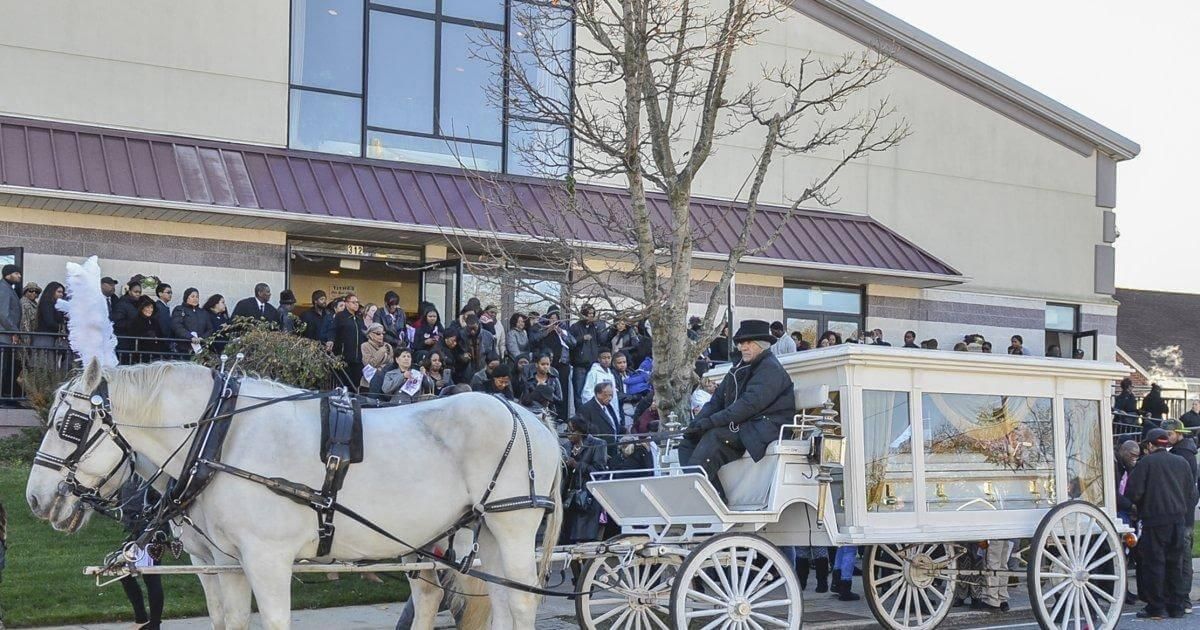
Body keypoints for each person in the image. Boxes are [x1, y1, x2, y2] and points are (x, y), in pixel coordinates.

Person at [677, 320, 795, 500]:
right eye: (741, 343)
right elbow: (716, 402)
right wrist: (695, 425)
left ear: (762, 344)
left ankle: (705, 499)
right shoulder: (739, 368)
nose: (742, 347)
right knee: (688, 441)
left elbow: (748, 405)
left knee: (715, 435)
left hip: (764, 427)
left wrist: (710, 422)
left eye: (748, 343)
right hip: (744, 425)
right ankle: (709, 498)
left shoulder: (770, 369)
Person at [1124, 428, 1199, 619]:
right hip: (1178, 519)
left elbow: (1133, 492)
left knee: (1154, 563)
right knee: (1175, 563)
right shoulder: (1181, 462)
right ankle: (1177, 605)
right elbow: (1191, 492)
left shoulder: (1146, 463)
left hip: (1154, 519)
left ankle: (1157, 606)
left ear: (1150, 445)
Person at [118, 475, 165, 630]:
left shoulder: (152, 476)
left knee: (151, 577)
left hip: (151, 535)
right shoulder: (129, 477)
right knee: (121, 570)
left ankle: (154, 624)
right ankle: (141, 619)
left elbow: (162, 506)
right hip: (134, 534)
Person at [560, 418, 607, 549]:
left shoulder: (597, 444)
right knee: (568, 543)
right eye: (567, 430)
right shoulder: (566, 447)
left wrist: (578, 465)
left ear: (581, 432)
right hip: (569, 500)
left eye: (571, 430)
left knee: (585, 543)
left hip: (587, 498)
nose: (568, 433)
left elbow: (599, 471)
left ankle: (587, 568)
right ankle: (574, 569)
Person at [532, 309, 574, 420]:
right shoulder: (541, 326)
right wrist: (548, 330)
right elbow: (534, 339)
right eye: (551, 318)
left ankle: (562, 416)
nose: (553, 320)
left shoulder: (563, 328)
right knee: (549, 390)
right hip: (547, 365)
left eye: (556, 318)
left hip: (562, 364)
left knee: (562, 391)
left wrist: (560, 332)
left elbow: (573, 342)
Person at [568, 304, 607, 404]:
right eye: (589, 313)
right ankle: (580, 416)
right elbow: (570, 342)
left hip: (592, 364)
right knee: (579, 392)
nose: (591, 316)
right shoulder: (575, 327)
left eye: (592, 314)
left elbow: (603, 340)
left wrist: (599, 325)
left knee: (592, 391)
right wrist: (582, 338)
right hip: (579, 365)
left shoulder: (595, 327)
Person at [577, 382, 623, 460]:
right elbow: (583, 434)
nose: (610, 398)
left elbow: (613, 425)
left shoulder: (609, 407)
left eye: (611, 395)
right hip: (597, 454)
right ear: (598, 394)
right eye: (606, 395)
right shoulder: (586, 409)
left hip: (613, 449)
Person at [332, 293, 365, 390]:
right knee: (345, 383)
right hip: (345, 356)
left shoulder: (359, 319)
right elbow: (333, 330)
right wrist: (331, 341)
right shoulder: (340, 316)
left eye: (357, 302)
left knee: (356, 382)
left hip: (358, 357)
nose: (356, 304)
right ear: (346, 303)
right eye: (353, 302)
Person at [581, 349, 621, 423]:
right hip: (598, 408)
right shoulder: (593, 372)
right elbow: (587, 393)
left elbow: (614, 395)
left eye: (609, 358)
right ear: (598, 359)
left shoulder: (611, 374)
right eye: (604, 358)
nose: (606, 360)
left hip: (611, 407)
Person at [169, 288, 211, 353]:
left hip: (200, 348)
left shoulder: (203, 312)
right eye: (192, 296)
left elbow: (209, 329)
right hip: (183, 347)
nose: (195, 299)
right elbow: (177, 326)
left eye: (197, 297)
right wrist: (190, 337)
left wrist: (202, 338)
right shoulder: (179, 309)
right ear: (186, 298)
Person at [126, 296, 165, 362]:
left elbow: (160, 336)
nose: (150, 310)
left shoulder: (154, 321)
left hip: (154, 355)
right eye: (147, 307)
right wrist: (147, 335)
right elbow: (133, 338)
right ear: (142, 308)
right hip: (141, 356)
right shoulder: (136, 321)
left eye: (151, 307)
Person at [360, 323, 393, 390]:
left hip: (385, 381)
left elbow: (391, 363)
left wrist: (380, 367)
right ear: (370, 334)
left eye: (383, 333)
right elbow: (369, 364)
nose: (381, 336)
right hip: (369, 383)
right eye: (378, 333)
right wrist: (380, 352)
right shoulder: (365, 346)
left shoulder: (388, 346)